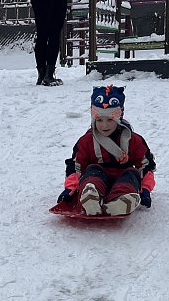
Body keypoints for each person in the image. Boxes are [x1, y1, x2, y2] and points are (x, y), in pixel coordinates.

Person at [57, 85, 156, 216]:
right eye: (99, 120)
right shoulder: (87, 141)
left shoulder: (133, 140)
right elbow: (76, 166)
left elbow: (145, 165)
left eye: (110, 119)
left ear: (119, 119)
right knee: (92, 174)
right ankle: (90, 198)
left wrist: (145, 190)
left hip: (123, 175)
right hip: (97, 173)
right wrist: (70, 189)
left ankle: (119, 202)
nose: (104, 125)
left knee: (131, 175)